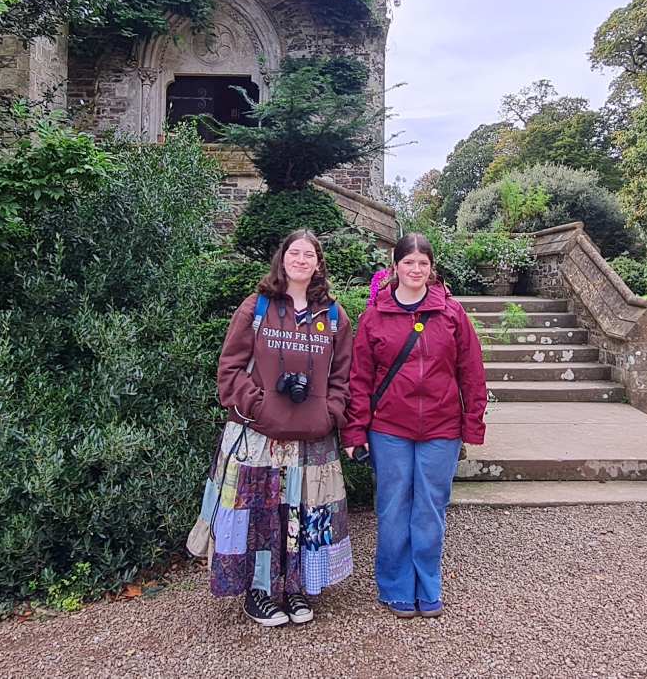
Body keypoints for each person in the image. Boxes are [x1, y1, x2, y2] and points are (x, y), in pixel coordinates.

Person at [198, 229, 355, 628]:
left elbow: (343, 377)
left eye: (309, 255)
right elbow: (230, 368)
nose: (301, 260)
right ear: (282, 259)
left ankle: (297, 587)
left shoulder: (334, 317)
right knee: (258, 515)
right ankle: (259, 591)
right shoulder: (256, 307)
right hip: (258, 435)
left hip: (312, 438)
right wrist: (257, 404)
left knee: (304, 512)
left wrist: (329, 412)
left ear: (319, 263)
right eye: (294, 253)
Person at [343, 233, 487, 618]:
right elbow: (359, 379)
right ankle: (395, 586)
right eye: (409, 262)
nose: (416, 269)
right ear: (396, 266)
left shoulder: (452, 314)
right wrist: (355, 431)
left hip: (441, 428)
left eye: (423, 263)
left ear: (431, 268)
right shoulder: (374, 317)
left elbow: (471, 371)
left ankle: (428, 585)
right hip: (389, 428)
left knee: (430, 509)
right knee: (392, 508)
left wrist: (472, 424)